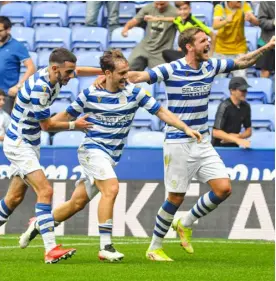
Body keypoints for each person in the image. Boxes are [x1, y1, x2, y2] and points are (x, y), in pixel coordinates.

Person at [19, 49, 202, 262]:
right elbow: (65, 117)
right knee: (112, 188)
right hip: (92, 151)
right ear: (108, 73)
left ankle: (40, 223)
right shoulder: (89, 94)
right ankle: (105, 246)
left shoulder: (134, 92)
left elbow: (161, 112)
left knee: (76, 203)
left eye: (127, 72)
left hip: (111, 156)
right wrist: (43, 126)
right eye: (122, 73)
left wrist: (185, 128)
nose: (127, 76)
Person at [115, 27, 274, 261]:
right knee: (175, 198)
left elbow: (241, 62)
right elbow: (138, 76)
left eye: (208, 39)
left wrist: (267, 47)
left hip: (202, 140)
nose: (208, 43)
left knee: (223, 188)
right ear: (189, 46)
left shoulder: (210, 66)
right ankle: (154, 248)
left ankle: (185, 222)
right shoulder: (172, 69)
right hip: (178, 142)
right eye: (202, 41)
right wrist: (110, 77)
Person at [0, 47, 104, 264]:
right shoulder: (40, 88)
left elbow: (80, 71)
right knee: (45, 191)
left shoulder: (56, 73)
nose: (71, 76)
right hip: (20, 143)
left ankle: (49, 246)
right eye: (68, 73)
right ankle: (50, 249)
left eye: (71, 72)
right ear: (56, 68)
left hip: (29, 142)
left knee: (14, 198)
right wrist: (76, 125)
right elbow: (47, 126)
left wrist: (102, 72)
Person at [144, 1, 216, 62]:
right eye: (180, 10)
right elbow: (171, 19)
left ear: (190, 9)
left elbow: (213, 35)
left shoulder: (195, 22)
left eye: (185, 9)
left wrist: (210, 54)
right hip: (186, 51)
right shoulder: (179, 20)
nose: (183, 12)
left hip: (195, 52)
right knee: (165, 53)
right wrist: (154, 18)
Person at [122, 1, 177, 70]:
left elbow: (183, 25)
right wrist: (126, 28)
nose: (159, 6)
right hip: (144, 47)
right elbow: (135, 20)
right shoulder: (148, 7)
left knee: (160, 76)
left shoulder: (175, 12)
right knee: (126, 69)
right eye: (157, 4)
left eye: (162, 4)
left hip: (162, 50)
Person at [212, 1, 259, 78]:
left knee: (241, 81)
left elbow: (256, 22)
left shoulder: (244, 5)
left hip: (239, 49)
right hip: (222, 50)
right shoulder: (220, 7)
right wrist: (226, 20)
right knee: (219, 80)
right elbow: (215, 25)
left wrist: (251, 19)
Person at [0, 16, 36, 115]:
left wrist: (18, 86)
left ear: (8, 30)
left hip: (5, 96)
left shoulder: (17, 46)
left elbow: (31, 68)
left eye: (0, 30)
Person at [212, 77, 251, 148]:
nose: (245, 92)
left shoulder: (246, 106)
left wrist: (239, 136)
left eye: (245, 90)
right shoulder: (224, 106)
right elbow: (215, 132)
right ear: (232, 90)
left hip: (234, 147)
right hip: (219, 147)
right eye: (242, 90)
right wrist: (236, 139)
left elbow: (249, 131)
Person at [255, 1, 275, 78]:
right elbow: (261, 22)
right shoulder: (265, 2)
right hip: (267, 41)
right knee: (265, 71)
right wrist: (273, 22)